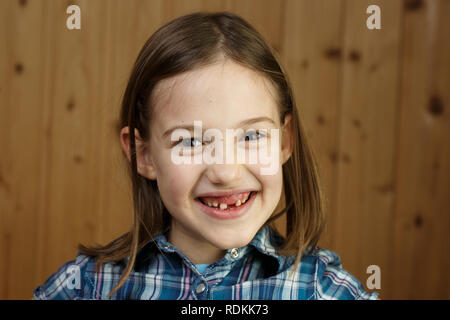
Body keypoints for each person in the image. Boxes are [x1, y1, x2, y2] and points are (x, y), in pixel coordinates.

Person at [33, 11, 379, 300]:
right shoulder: (89, 287)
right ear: (144, 155)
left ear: (285, 142)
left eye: (251, 135)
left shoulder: (325, 291)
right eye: (190, 142)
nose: (225, 171)